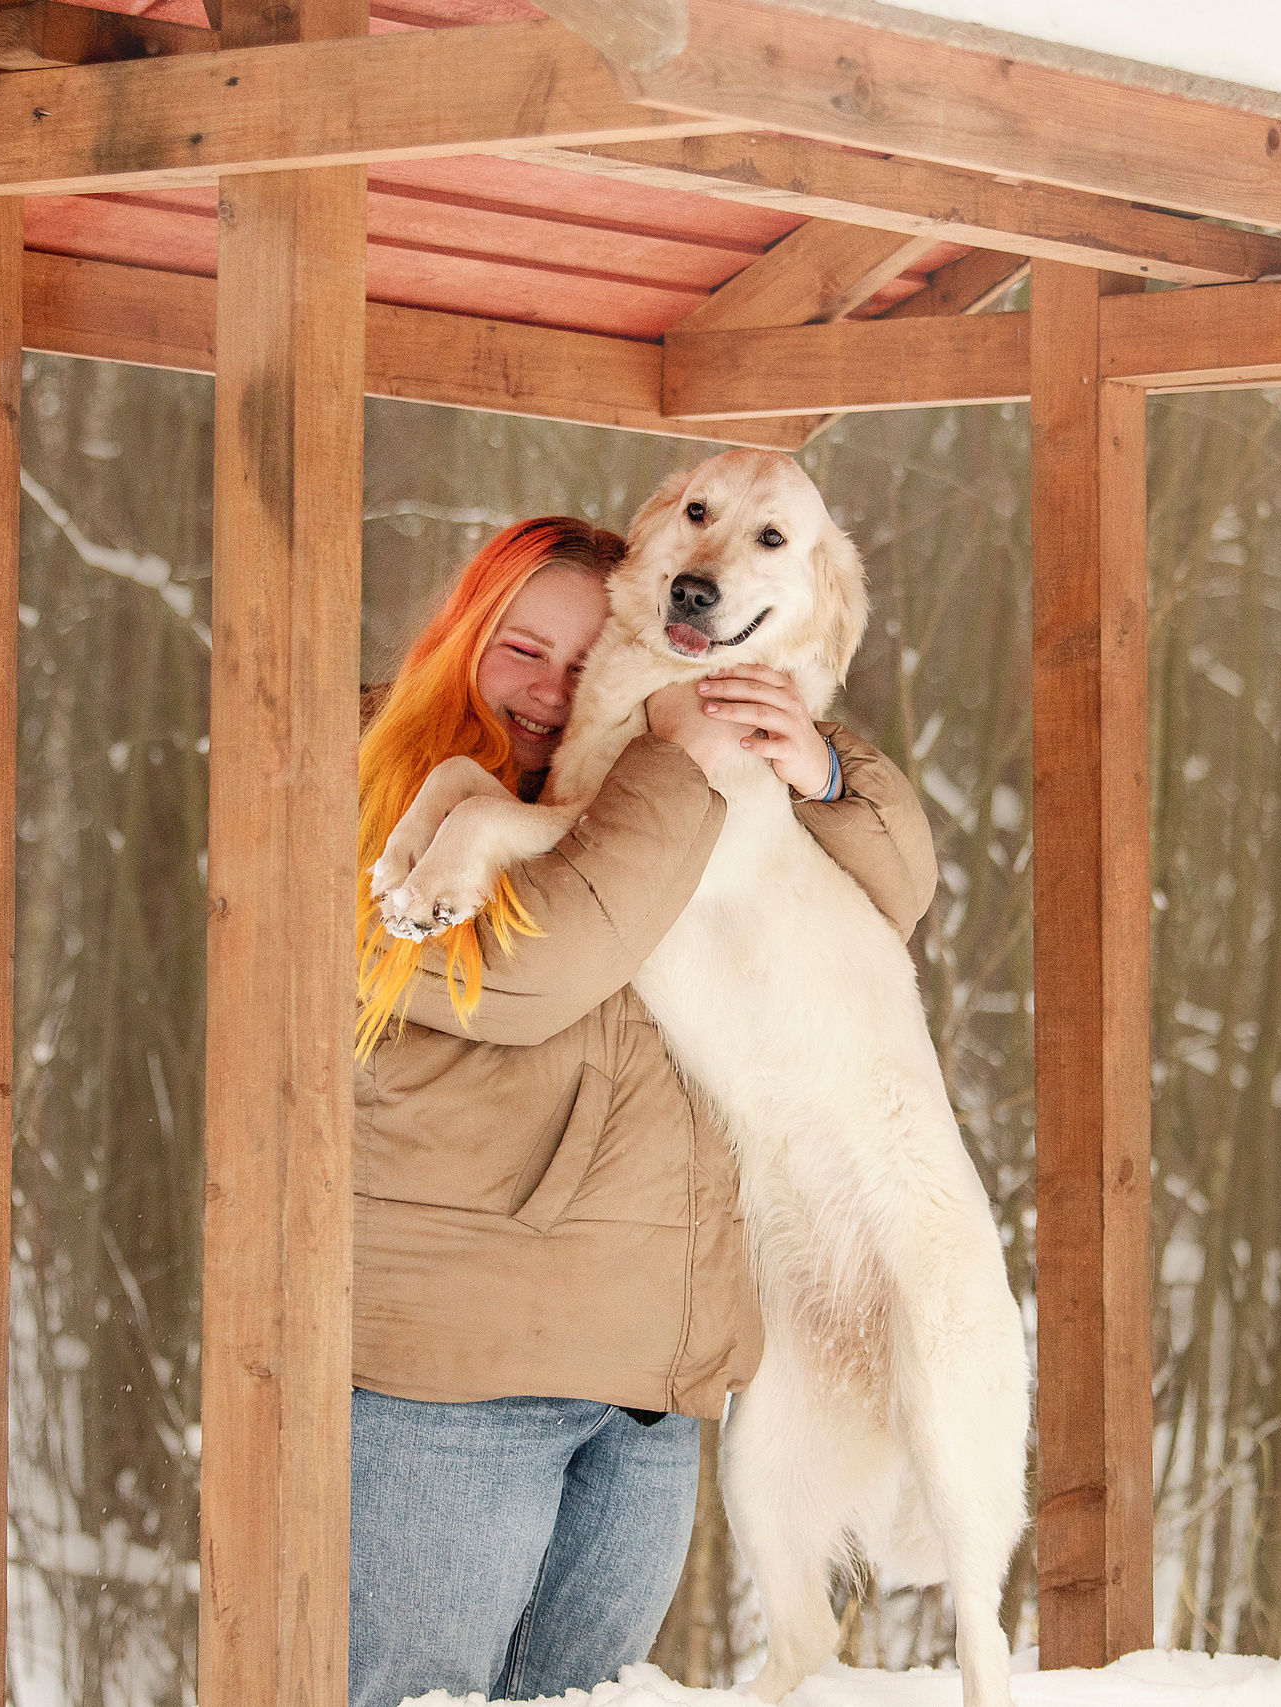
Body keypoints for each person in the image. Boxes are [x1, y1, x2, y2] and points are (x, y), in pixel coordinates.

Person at [347, 515, 935, 1707]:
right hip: (451, 1384)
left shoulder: (642, 780)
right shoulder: (380, 795)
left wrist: (814, 765)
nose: (558, 694)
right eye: (524, 650)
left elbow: (886, 904)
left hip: (647, 1393)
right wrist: (679, 754)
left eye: (592, 654)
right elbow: (532, 970)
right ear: (458, 642)